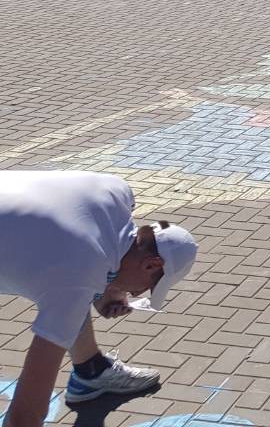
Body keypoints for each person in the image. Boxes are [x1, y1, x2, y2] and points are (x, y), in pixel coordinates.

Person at [0, 170, 198, 427]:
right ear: (151, 265)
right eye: (148, 287)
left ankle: (91, 370)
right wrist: (100, 285)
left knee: (80, 292)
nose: (136, 294)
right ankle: (91, 372)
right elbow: (24, 415)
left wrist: (108, 287)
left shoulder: (115, 190)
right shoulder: (78, 276)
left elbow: (83, 246)